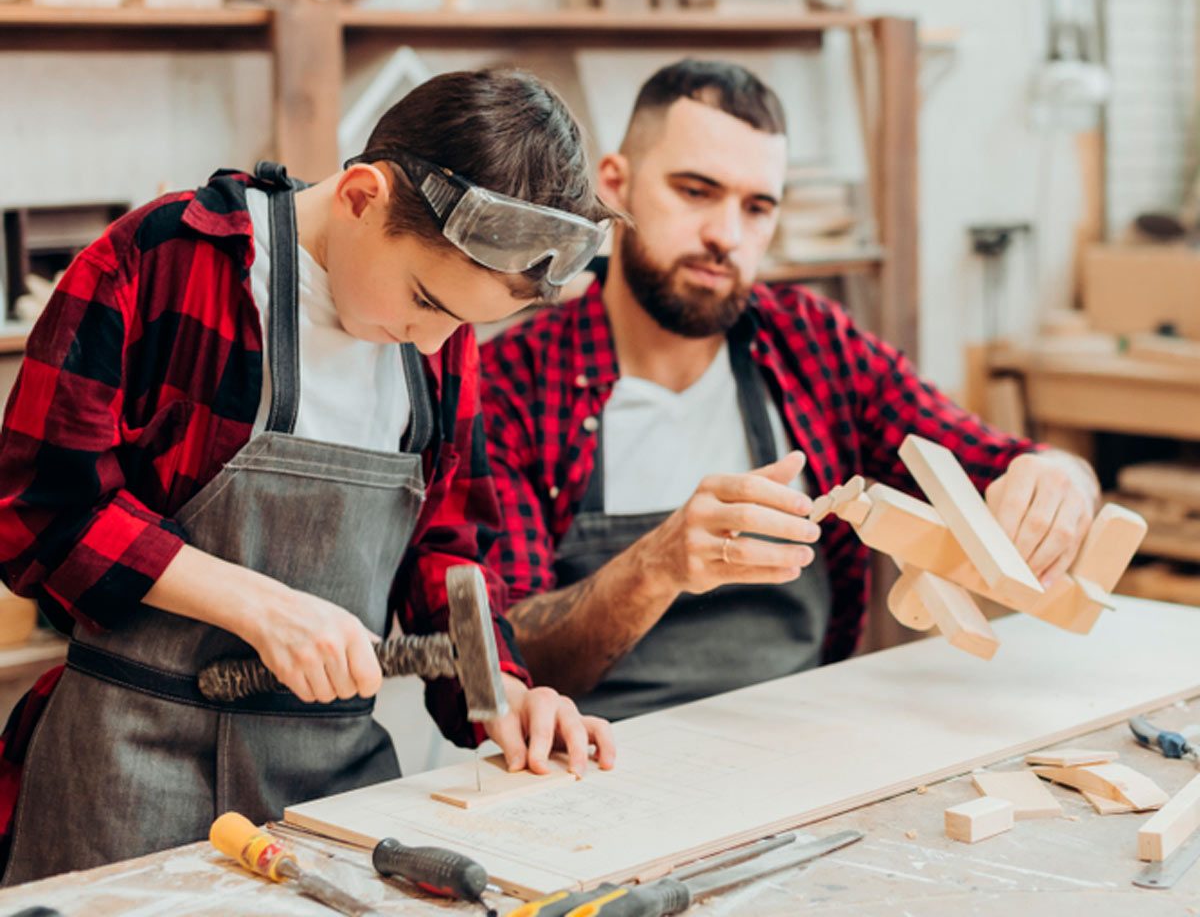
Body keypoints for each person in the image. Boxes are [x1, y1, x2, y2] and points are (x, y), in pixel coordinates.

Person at [0, 69, 616, 883]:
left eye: (463, 323)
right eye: (427, 302)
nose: (435, 345)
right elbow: (38, 510)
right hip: (128, 763)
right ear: (362, 195)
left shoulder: (441, 337)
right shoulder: (165, 260)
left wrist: (495, 689)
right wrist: (259, 605)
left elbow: (448, 545)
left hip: (329, 784)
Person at [480, 59, 1099, 722]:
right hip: (597, 756)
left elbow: (988, 461)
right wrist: (656, 565)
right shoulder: (515, 380)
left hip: (799, 744)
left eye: (757, 207)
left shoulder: (811, 343)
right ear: (616, 185)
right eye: (695, 191)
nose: (727, 236)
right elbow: (510, 659)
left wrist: (1063, 479)